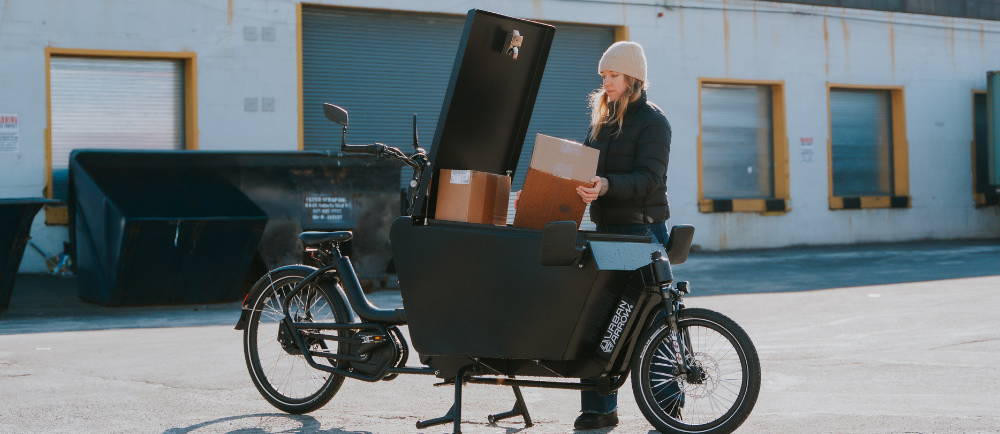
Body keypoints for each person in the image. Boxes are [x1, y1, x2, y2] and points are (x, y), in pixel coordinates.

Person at [573, 40, 672, 430]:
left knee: (652, 324)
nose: (606, 82)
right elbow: (581, 164)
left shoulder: (653, 122)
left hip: (642, 230)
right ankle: (599, 410)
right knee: (598, 321)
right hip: (608, 231)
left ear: (633, 78)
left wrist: (607, 185)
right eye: (603, 76)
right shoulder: (603, 120)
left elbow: (651, 179)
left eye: (613, 75)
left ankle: (669, 409)